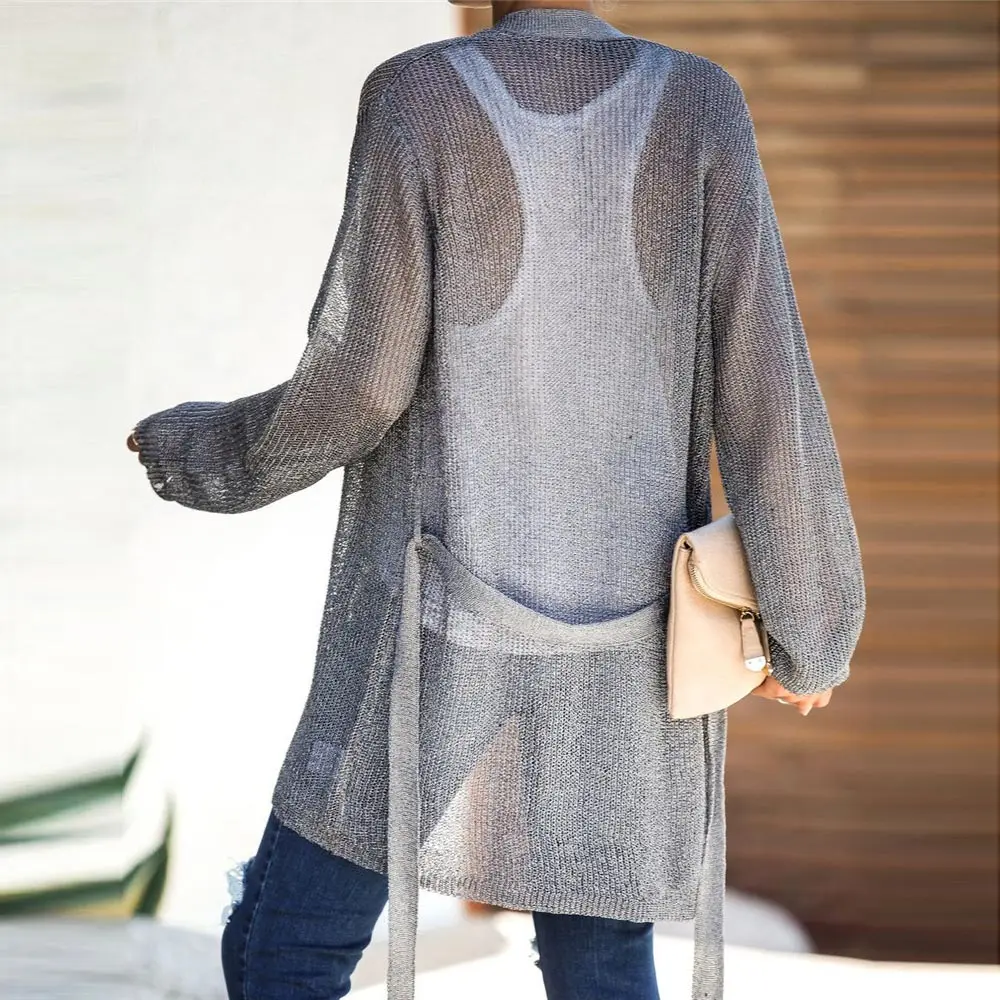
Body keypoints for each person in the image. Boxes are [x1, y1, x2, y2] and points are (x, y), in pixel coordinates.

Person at [127, 1, 866, 997]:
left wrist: (199, 449)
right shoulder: (700, 104)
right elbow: (764, 386)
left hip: (436, 624)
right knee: (601, 964)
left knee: (288, 951)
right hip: (626, 641)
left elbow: (360, 385)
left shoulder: (417, 94)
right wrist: (809, 620)